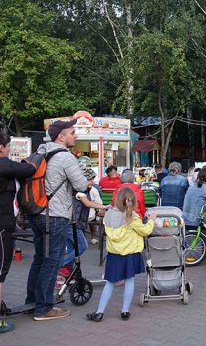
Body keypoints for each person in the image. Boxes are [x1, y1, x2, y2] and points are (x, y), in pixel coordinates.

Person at [26, 119, 88, 321]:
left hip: (36, 213)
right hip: (55, 215)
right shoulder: (65, 157)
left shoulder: (41, 151)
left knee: (39, 259)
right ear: (61, 136)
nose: (75, 135)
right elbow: (81, 185)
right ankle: (44, 308)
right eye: (72, 132)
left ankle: (32, 301)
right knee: (53, 261)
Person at [86, 188, 157, 322]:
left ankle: (99, 312)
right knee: (129, 281)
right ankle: (125, 311)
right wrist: (152, 220)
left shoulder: (108, 215)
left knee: (110, 283)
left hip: (114, 255)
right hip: (130, 254)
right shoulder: (133, 218)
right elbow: (146, 231)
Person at [0, 132, 36, 333]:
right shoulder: (4, 164)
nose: (9, 151)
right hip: (1, 225)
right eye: (7, 147)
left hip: (6, 223)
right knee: (0, 271)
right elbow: (28, 169)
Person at [57, 169, 110, 285]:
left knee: (73, 250)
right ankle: (60, 266)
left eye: (92, 179)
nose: (92, 182)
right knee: (82, 246)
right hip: (72, 223)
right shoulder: (79, 191)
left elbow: (90, 208)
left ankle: (67, 274)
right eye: (90, 179)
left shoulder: (86, 190)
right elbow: (87, 204)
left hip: (76, 223)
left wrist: (106, 211)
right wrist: (104, 206)